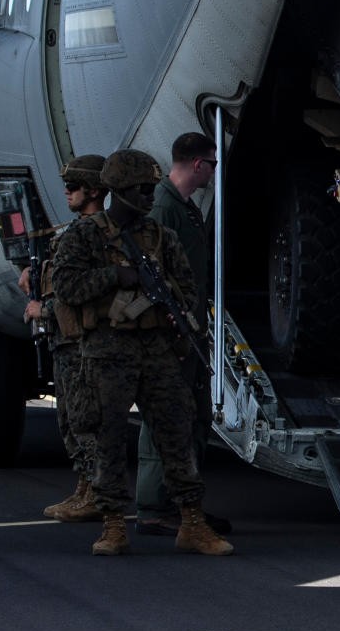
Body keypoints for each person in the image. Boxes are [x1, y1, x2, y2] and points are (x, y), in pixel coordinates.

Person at [49, 148, 233, 556]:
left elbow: (186, 289)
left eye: (151, 189)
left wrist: (174, 313)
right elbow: (65, 287)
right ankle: (113, 525)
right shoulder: (85, 235)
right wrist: (116, 276)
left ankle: (192, 522)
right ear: (118, 190)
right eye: (140, 190)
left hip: (156, 350)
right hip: (106, 351)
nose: (149, 197)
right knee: (108, 439)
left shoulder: (160, 238)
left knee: (176, 433)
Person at [134, 131, 227, 536]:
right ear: (196, 164)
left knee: (192, 416)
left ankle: (183, 503)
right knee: (165, 415)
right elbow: (149, 270)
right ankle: (154, 505)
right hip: (169, 332)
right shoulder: (162, 208)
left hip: (189, 329)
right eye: (212, 164)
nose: (213, 172)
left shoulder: (184, 209)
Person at [26, 154, 107, 522]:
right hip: (67, 342)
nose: (67, 193)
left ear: (93, 190)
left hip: (81, 343)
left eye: (73, 187)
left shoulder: (95, 233)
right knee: (69, 419)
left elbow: (81, 289)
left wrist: (42, 309)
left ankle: (96, 491)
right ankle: (84, 487)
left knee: (84, 419)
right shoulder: (77, 231)